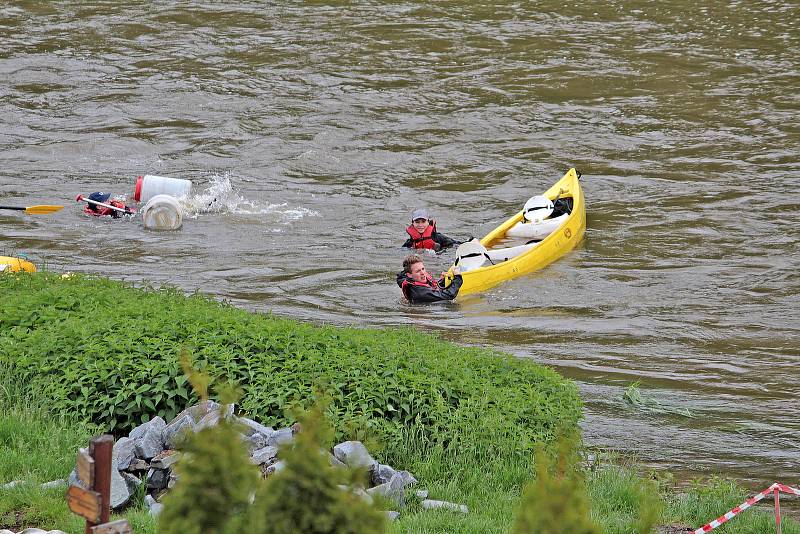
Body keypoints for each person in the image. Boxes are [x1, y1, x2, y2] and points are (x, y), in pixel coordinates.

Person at [396, 254, 463, 304]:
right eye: (418, 271)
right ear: (409, 275)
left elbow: (400, 276)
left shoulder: (413, 279)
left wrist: (442, 281)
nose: (423, 273)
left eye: (423, 269)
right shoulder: (421, 293)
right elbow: (449, 295)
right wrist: (458, 278)